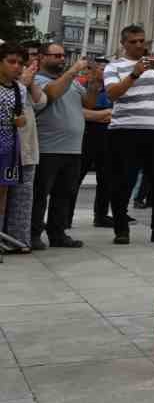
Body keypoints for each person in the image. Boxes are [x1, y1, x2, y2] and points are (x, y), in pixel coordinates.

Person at [103, 25, 154, 244]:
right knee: (123, 182)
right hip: (124, 130)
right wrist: (135, 73)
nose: (139, 45)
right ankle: (121, 230)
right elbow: (112, 94)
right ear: (124, 44)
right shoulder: (114, 66)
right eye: (134, 41)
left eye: (142, 41)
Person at [30, 44, 91, 249]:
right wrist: (73, 71)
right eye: (56, 55)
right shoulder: (37, 79)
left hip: (73, 148)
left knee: (64, 194)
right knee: (40, 195)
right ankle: (33, 234)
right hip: (48, 148)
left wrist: (96, 82)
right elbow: (52, 94)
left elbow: (89, 102)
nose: (61, 59)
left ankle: (58, 233)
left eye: (63, 56)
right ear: (42, 57)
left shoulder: (72, 82)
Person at [0, 44, 36, 255]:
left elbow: (20, 119)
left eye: (20, 63)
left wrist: (20, 121)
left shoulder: (19, 89)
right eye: (11, 62)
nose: (17, 67)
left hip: (9, 148)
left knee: (3, 192)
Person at [78, 60, 115, 227]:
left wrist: (98, 114)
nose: (104, 72)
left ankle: (101, 215)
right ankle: (65, 216)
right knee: (76, 177)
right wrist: (101, 114)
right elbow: (81, 112)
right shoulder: (82, 87)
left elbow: (115, 114)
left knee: (106, 178)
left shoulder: (112, 90)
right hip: (86, 134)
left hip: (107, 136)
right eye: (101, 69)